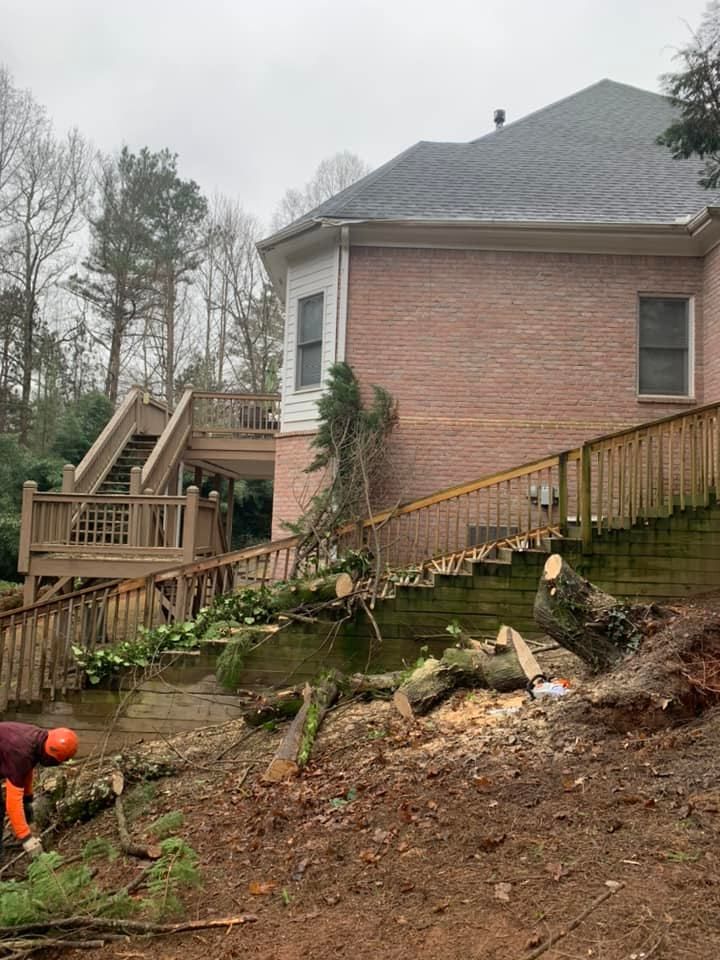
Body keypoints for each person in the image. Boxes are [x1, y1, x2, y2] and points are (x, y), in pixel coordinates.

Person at [0, 723, 78, 859]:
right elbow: (12, 802)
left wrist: (28, 802)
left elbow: (27, 771)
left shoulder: (37, 740)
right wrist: (27, 839)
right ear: (52, 755)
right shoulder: (21, 753)